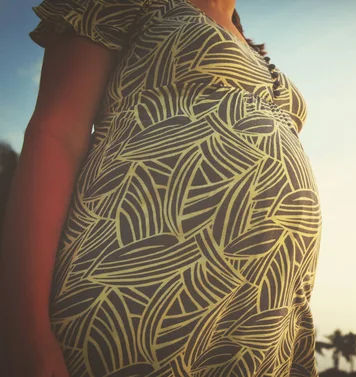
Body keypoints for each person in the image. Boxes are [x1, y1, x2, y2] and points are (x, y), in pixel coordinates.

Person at [0, 0, 322, 376]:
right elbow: (56, 135)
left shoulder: (249, 44)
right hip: (140, 293)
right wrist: (27, 336)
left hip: (266, 313)